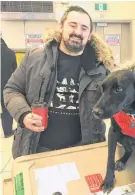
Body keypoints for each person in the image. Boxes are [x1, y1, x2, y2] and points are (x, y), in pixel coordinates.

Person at [3, 6, 114, 159]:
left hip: (83, 150)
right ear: (61, 27)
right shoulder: (34, 58)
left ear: (89, 36)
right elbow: (11, 89)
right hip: (36, 148)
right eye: (72, 25)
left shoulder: (101, 70)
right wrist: (24, 114)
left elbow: (122, 102)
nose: (77, 32)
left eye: (84, 28)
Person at [1, 38, 17, 138]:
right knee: (6, 109)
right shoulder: (10, 53)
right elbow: (15, 72)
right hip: (5, 85)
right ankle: (7, 132)